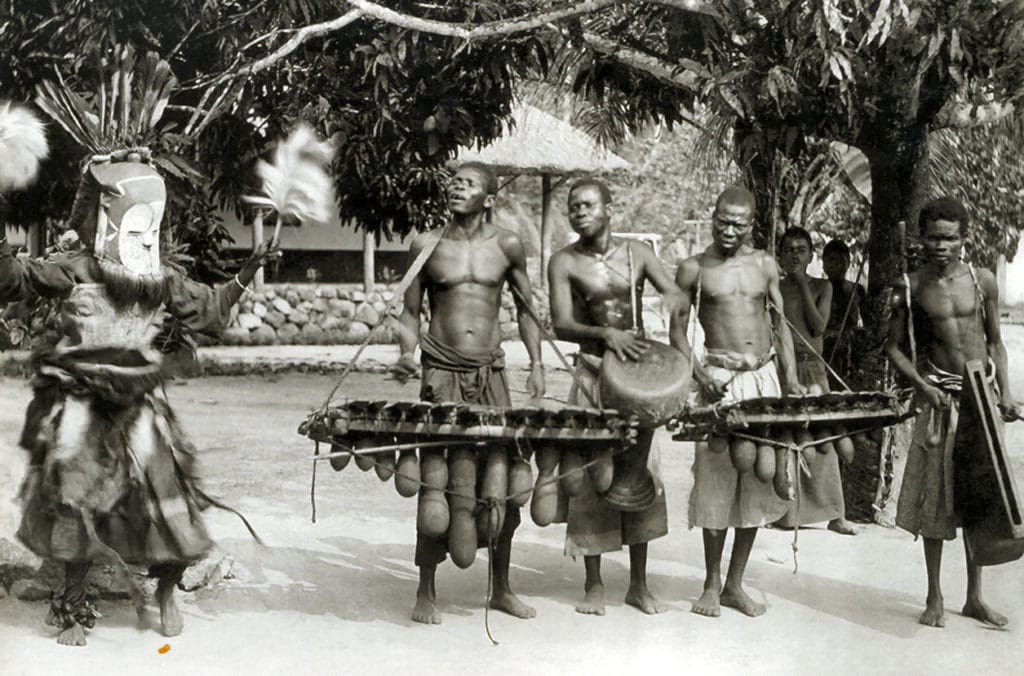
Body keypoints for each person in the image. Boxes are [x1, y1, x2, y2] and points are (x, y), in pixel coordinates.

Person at [2, 147, 276, 646]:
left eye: (148, 230)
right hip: (82, 405)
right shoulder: (77, 268)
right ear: (108, 223)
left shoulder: (160, 281)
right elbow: (14, 280)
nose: (141, 239)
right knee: (75, 500)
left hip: (139, 407)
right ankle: (73, 608)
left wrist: (245, 273)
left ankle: (167, 591)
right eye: (131, 228)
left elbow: (209, 312)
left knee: (166, 501)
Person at [393, 162, 545, 625]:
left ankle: (500, 587)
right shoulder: (427, 245)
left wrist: (537, 365)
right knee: (435, 479)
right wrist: (405, 352)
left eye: (469, 184)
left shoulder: (508, 245)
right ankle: (426, 590)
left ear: (489, 197)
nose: (457, 188)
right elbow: (409, 310)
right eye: (453, 182)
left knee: (502, 473)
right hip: (441, 371)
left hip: (490, 374)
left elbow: (526, 310)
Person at [547, 178, 682, 616]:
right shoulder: (563, 262)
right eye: (573, 207)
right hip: (590, 375)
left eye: (588, 204)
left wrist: (674, 348)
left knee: (642, 474)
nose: (579, 212)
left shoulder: (637, 253)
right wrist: (606, 333)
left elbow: (676, 296)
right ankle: (593, 583)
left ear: (609, 208)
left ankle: (639, 585)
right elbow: (561, 324)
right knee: (589, 476)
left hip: (637, 380)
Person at [884, 196, 1020, 628]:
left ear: (964, 239)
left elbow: (995, 342)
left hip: (981, 401)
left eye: (949, 238)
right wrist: (924, 387)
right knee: (936, 502)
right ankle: (934, 596)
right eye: (933, 237)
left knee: (979, 499)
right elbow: (891, 348)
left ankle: (974, 598)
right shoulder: (909, 286)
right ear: (921, 239)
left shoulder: (982, 282)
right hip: (939, 402)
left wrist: (1007, 393)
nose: (940, 246)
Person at [672, 187, 806, 618]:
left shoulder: (766, 265)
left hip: (763, 379)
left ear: (753, 224)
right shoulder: (693, 268)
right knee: (715, 480)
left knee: (757, 481)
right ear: (711, 217)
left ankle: (735, 584)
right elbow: (676, 331)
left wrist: (791, 383)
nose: (728, 230)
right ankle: (710, 585)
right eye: (722, 221)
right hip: (718, 382)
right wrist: (700, 376)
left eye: (738, 223)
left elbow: (781, 325)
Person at [776, 228, 856, 535]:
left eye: (801, 249)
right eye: (789, 250)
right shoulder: (775, 287)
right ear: (780, 256)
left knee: (825, 436)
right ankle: (785, 513)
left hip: (815, 370)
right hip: (785, 370)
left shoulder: (823, 287)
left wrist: (802, 285)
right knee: (787, 438)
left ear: (811, 255)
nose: (795, 255)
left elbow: (818, 326)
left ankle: (836, 514)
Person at [821, 238, 866, 385]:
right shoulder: (818, 289)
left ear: (848, 262)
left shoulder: (857, 290)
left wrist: (854, 334)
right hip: (824, 350)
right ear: (823, 264)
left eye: (840, 260)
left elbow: (866, 324)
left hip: (850, 352)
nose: (836, 265)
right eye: (831, 260)